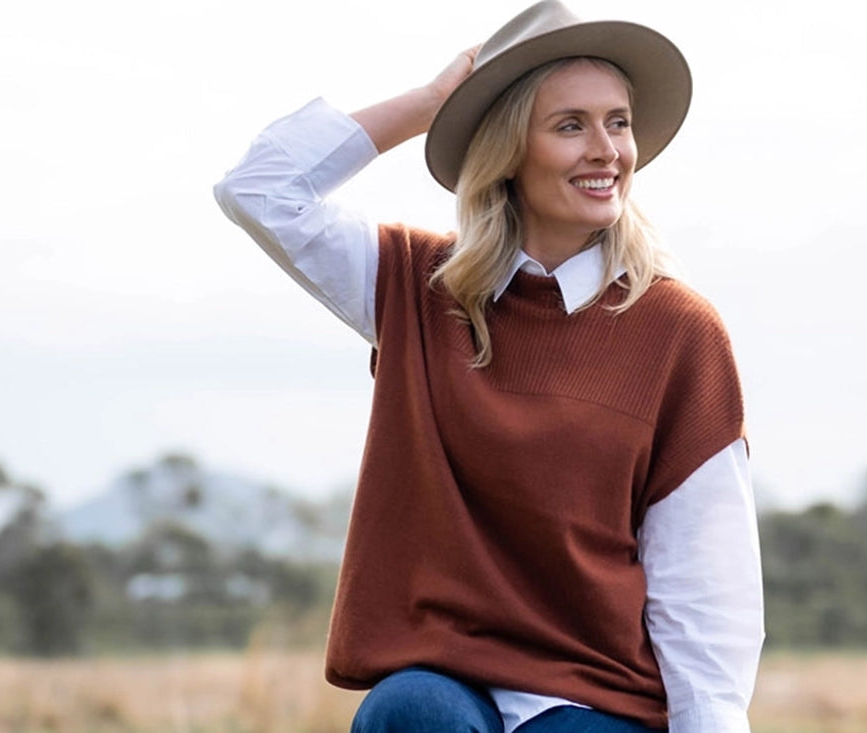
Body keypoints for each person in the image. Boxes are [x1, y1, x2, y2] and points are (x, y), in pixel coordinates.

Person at [213, 1, 765, 731]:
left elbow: (705, 577)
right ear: (508, 149)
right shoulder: (415, 286)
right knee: (407, 708)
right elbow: (259, 189)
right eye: (570, 125)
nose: (607, 149)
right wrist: (433, 106)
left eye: (618, 122)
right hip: (445, 687)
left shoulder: (677, 332)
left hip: (595, 699)